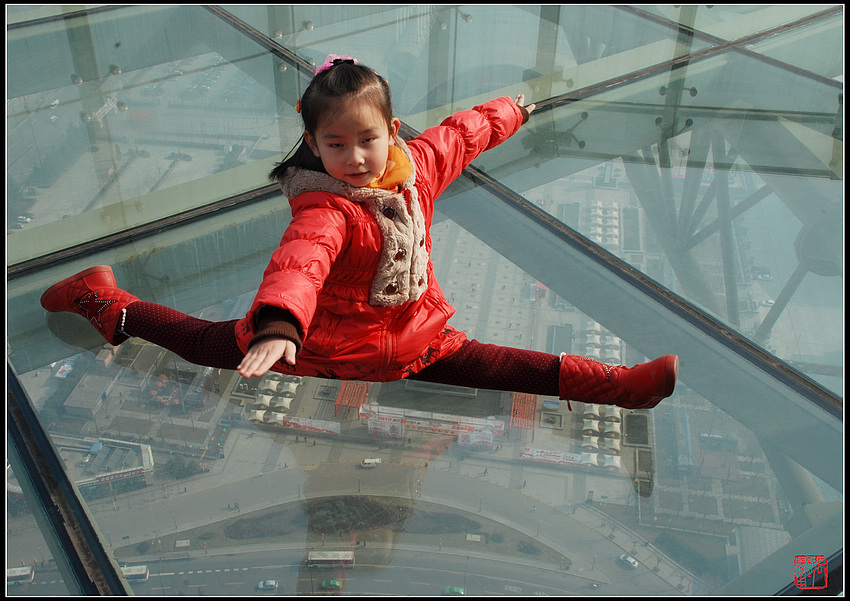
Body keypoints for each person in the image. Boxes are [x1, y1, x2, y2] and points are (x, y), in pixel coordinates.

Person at [40, 55, 678, 410]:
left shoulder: (415, 170)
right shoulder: (326, 210)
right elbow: (300, 264)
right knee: (195, 342)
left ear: (393, 132)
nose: (354, 158)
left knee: (510, 366)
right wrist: (279, 327)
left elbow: (463, 133)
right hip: (315, 350)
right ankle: (98, 301)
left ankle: (621, 388)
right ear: (314, 146)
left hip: (413, 337)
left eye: (367, 139)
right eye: (334, 144)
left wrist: (515, 110)